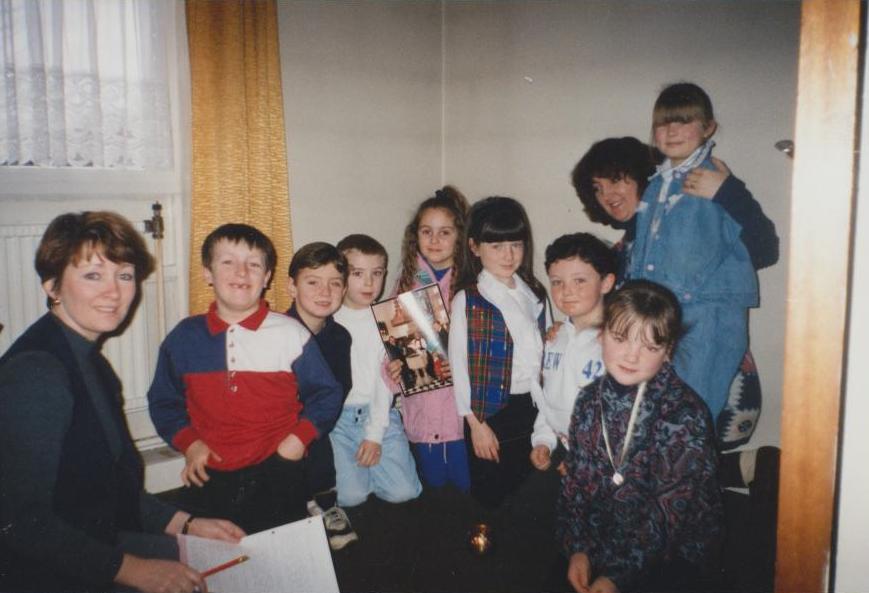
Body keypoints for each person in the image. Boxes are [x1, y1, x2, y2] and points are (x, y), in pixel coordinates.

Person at [0, 211, 244, 593]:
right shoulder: (37, 373)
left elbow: (112, 489)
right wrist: (134, 571)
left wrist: (187, 525)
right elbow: (20, 522)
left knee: (233, 561)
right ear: (52, 286)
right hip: (48, 567)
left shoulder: (92, 363)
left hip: (95, 540)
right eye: (93, 275)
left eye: (125, 275)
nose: (114, 292)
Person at [572, 130, 776, 448]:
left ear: (644, 178)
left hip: (707, 375)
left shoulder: (694, 218)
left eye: (616, 180)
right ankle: (744, 467)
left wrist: (728, 192)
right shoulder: (619, 254)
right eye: (597, 188)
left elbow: (765, 251)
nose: (607, 194)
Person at [148, 224, 342, 534]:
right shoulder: (183, 338)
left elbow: (327, 394)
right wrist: (190, 444)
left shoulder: (290, 333)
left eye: (253, 264)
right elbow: (163, 401)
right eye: (228, 262)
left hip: (278, 466)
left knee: (283, 550)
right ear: (207, 273)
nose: (241, 272)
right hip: (209, 469)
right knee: (215, 552)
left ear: (266, 277)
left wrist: (296, 442)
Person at [557, 280, 722, 593]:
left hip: (670, 550)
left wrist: (616, 576)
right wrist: (577, 548)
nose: (632, 357)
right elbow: (575, 483)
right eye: (621, 339)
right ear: (601, 334)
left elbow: (668, 513)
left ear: (668, 352)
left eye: (650, 347)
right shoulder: (589, 399)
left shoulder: (685, 415)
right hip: (602, 539)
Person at [449, 196, 549, 509]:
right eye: (496, 246)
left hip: (531, 405)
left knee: (527, 485)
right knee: (491, 489)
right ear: (474, 247)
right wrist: (476, 425)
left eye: (516, 244)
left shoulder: (534, 292)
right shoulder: (468, 300)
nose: (509, 255)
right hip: (490, 412)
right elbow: (459, 367)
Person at [390, 186, 472, 491]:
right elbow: (390, 343)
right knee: (434, 486)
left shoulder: (471, 284)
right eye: (427, 232)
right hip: (422, 408)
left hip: (460, 411)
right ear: (416, 236)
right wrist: (393, 370)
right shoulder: (406, 282)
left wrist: (463, 366)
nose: (435, 240)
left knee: (466, 485)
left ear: (460, 237)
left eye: (444, 232)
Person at [332, 234, 422, 507]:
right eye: (357, 273)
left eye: (377, 273)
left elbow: (385, 386)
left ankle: (374, 471)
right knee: (350, 497)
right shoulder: (328, 318)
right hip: (339, 421)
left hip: (380, 413)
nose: (369, 283)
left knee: (405, 492)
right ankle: (359, 478)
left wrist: (374, 437)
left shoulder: (387, 319)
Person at [286, 241, 357, 550]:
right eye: (313, 282)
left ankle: (326, 503)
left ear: (344, 290)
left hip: (316, 423)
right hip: (278, 425)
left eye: (335, 283)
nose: (324, 292)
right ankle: (300, 503)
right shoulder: (278, 332)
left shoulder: (339, 337)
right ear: (292, 286)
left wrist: (311, 426)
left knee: (319, 445)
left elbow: (341, 387)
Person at [530, 233, 616, 475]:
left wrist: (583, 456)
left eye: (579, 281)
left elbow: (615, 417)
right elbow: (550, 399)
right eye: (557, 282)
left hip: (599, 459)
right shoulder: (555, 339)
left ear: (606, 283)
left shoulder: (615, 344)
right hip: (563, 448)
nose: (567, 291)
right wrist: (543, 440)